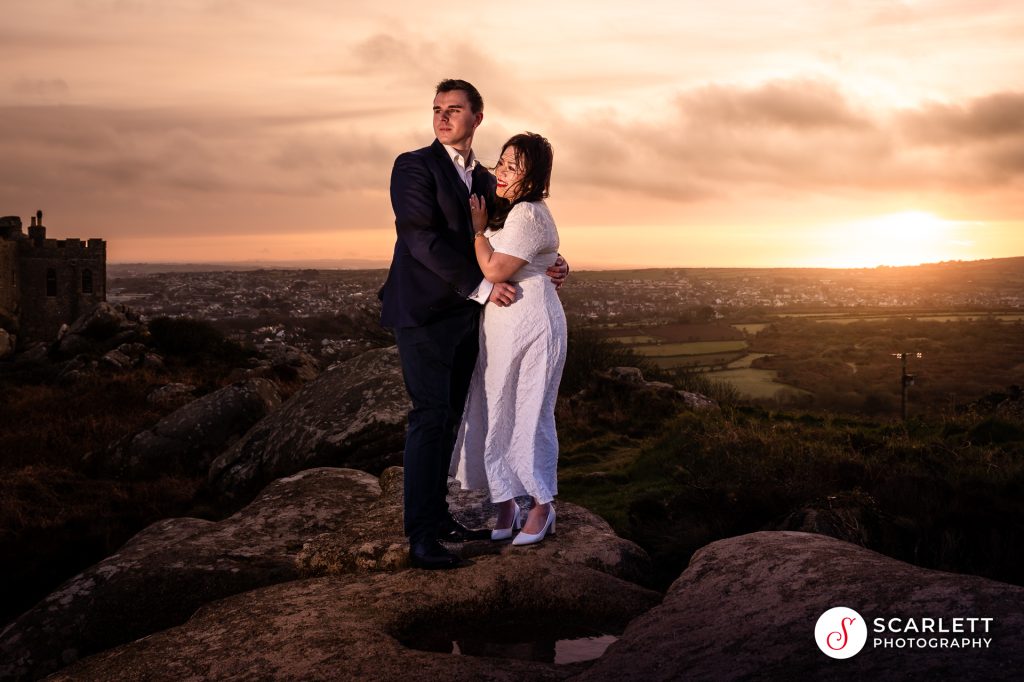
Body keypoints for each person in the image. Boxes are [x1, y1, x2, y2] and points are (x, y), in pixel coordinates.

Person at [379, 79, 567, 570]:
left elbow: (518, 231)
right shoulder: (413, 166)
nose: (442, 118)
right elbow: (421, 239)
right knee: (428, 417)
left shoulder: (485, 180)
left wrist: (552, 258)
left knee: (452, 420)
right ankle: (421, 536)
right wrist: (483, 288)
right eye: (437, 109)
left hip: (469, 321)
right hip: (423, 314)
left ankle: (438, 517)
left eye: (454, 109)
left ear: (476, 118)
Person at [450, 132, 566, 546]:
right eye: (501, 162)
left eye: (513, 168)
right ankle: (504, 499)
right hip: (501, 325)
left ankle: (541, 503)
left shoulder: (528, 213)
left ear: (533, 177)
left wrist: (478, 232)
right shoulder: (511, 210)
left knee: (529, 410)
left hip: (532, 323)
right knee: (494, 408)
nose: (502, 172)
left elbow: (496, 270)